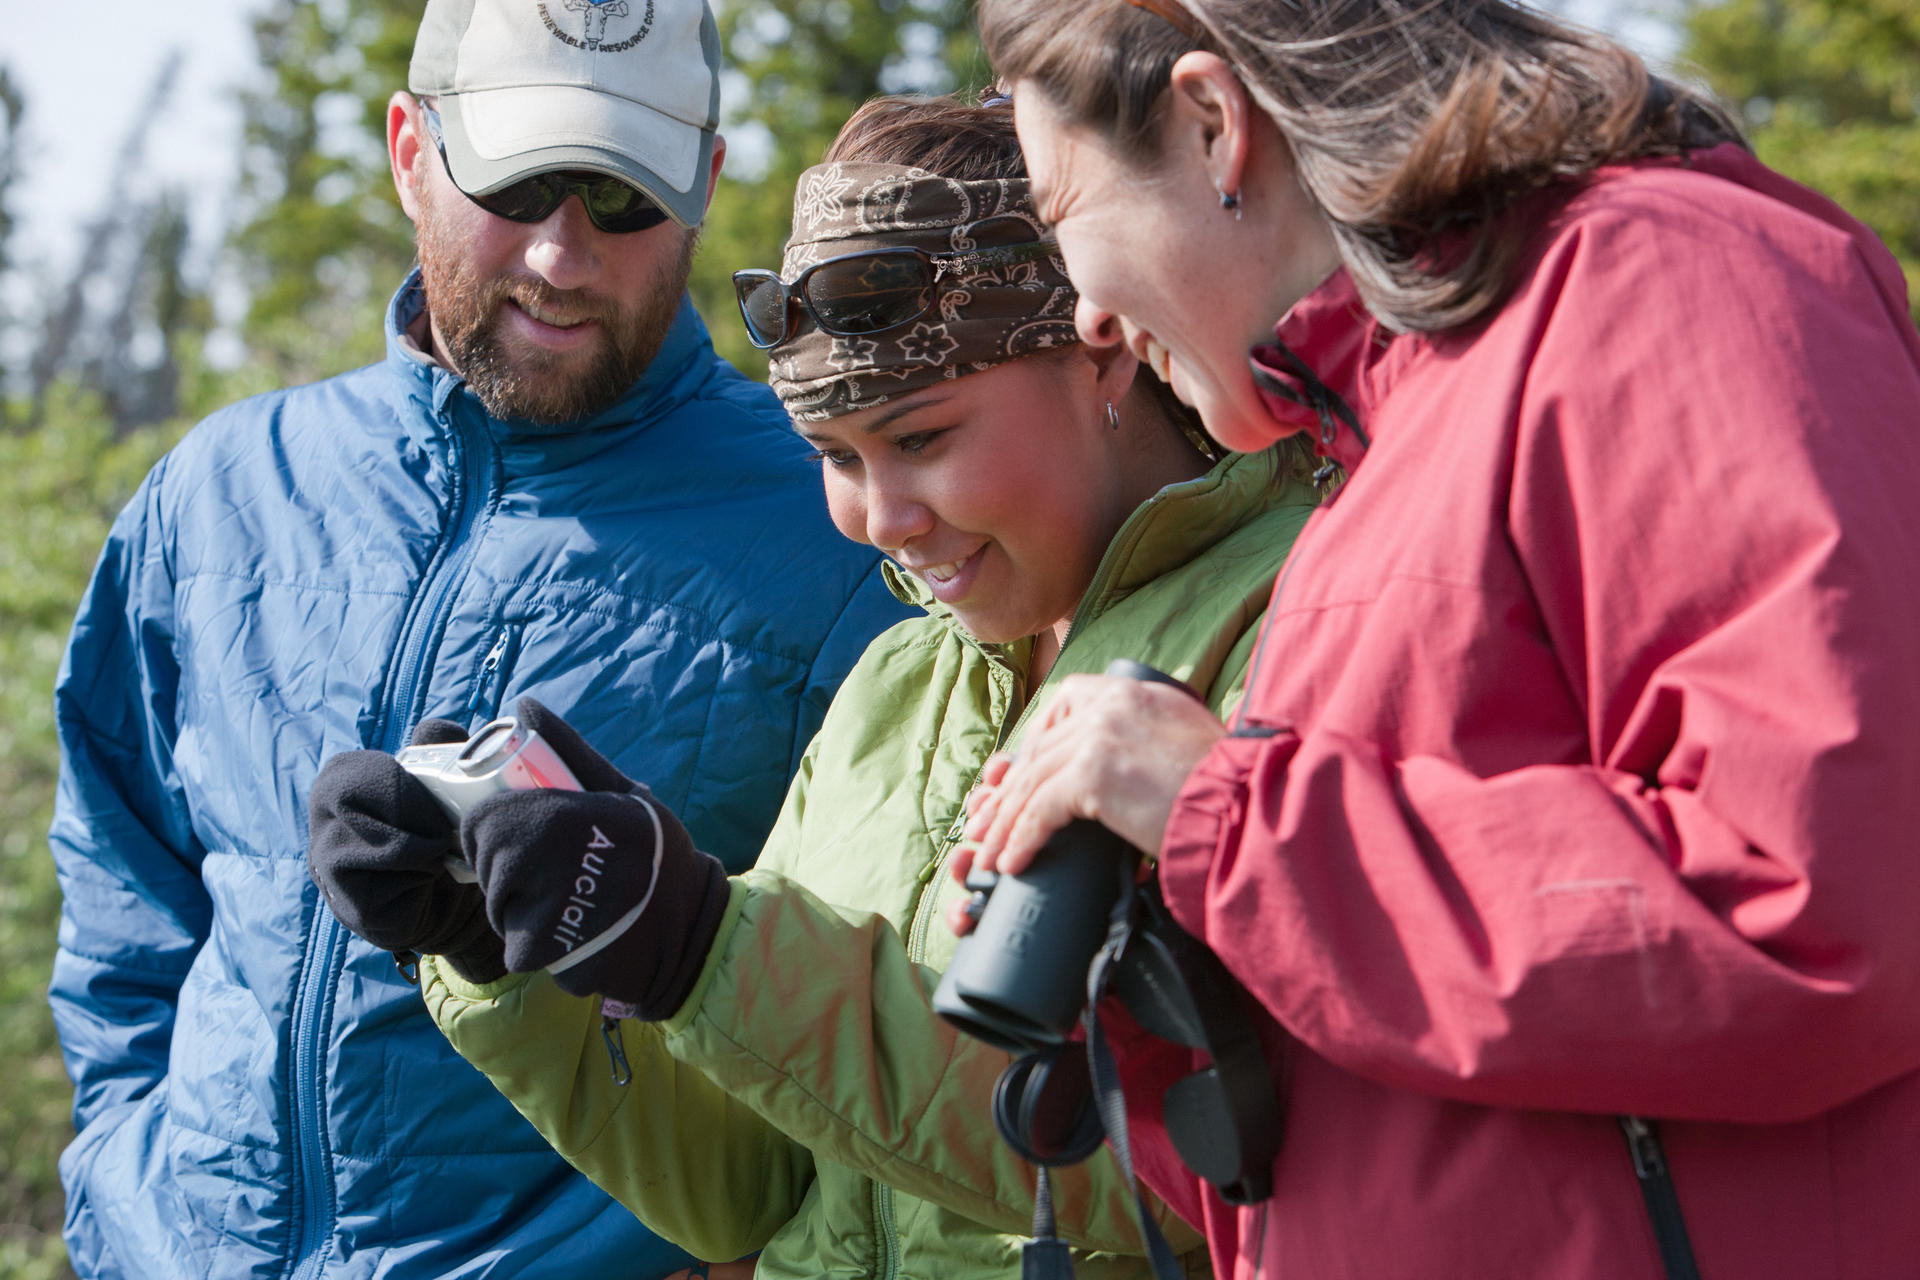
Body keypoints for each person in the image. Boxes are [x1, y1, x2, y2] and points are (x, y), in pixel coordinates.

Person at [959, 0, 1920, 1276]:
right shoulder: (1386, 443)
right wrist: (1159, 966)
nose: (1080, 312)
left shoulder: (1667, 281)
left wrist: (1227, 822)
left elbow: (1815, 905)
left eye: (1056, 209)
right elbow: (1409, 1108)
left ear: (1210, 123)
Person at [305, 93, 1324, 1280]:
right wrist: (510, 956)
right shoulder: (894, 685)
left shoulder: (1298, 619)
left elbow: (1209, 1166)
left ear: (1097, 342)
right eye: (838, 458)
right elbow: (753, 1188)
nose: (881, 521)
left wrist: (704, 944)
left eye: (925, 436)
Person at [44, 0, 909, 1275]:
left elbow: (871, 1032)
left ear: (706, 183)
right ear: (408, 149)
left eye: (621, 198)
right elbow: (125, 877)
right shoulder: (220, 488)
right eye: (519, 182)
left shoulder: (849, 528)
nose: (565, 256)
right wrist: (126, 1169)